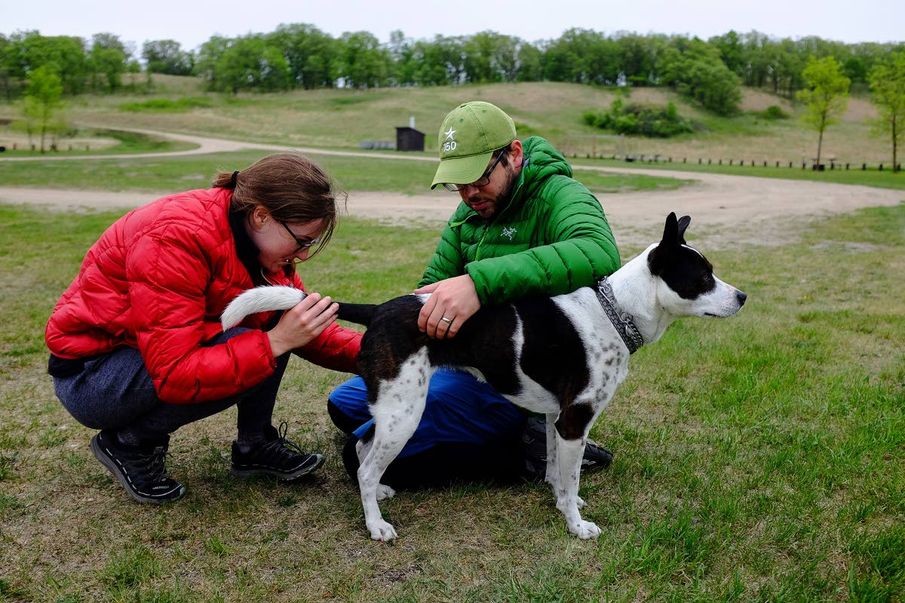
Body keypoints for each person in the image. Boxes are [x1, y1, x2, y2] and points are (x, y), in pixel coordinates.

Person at [328, 101, 621, 488]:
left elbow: (600, 253)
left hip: (525, 371)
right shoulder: (467, 213)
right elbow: (433, 283)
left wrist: (478, 284)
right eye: (457, 182)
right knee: (345, 403)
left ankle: (528, 442)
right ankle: (499, 434)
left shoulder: (561, 194)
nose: (468, 193)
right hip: (467, 359)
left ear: (513, 155)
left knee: (360, 449)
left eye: (478, 178)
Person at [46, 153, 361, 504]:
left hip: (143, 357)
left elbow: (304, 324)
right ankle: (129, 443)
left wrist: (386, 354)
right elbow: (175, 373)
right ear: (261, 215)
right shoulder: (174, 237)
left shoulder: (256, 242)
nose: (302, 255)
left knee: (274, 324)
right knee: (261, 343)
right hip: (93, 377)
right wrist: (275, 342)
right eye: (301, 240)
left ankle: (254, 444)